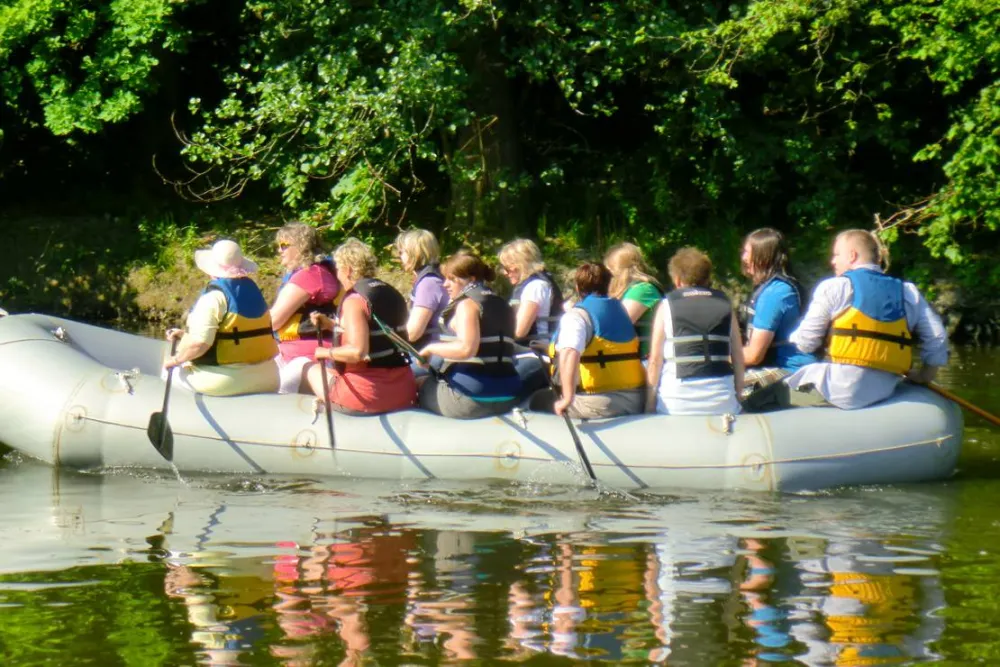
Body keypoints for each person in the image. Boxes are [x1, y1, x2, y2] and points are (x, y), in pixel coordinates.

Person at [745, 229, 948, 411]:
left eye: (836, 255)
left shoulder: (835, 287)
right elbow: (937, 338)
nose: (832, 261)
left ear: (852, 256)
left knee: (758, 398)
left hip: (839, 391)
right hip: (885, 389)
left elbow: (806, 344)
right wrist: (924, 376)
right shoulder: (908, 292)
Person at [304, 238, 417, 415]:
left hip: (367, 396)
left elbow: (358, 352)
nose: (338, 275)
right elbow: (375, 332)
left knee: (308, 368)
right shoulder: (391, 292)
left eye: (338, 269)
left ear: (348, 270)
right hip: (404, 390)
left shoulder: (354, 301)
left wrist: (324, 352)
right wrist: (331, 324)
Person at [163, 239, 280, 396]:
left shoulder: (214, 298)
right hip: (269, 379)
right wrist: (185, 335)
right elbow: (231, 334)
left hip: (228, 382)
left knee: (167, 372)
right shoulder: (254, 293)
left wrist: (176, 360)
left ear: (211, 270)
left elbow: (199, 343)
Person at [529, 263, 645, 418]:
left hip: (600, 403)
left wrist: (567, 398)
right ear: (608, 285)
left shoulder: (577, 316)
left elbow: (570, 352)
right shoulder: (621, 311)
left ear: (577, 287)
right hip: (635, 400)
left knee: (537, 399)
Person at [417, 250, 522, 419]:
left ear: (471, 279)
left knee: (419, 383)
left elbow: (467, 349)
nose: (445, 284)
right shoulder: (503, 304)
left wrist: (430, 349)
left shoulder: (468, 305)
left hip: (472, 398)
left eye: (452, 279)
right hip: (510, 395)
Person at [645, 247, 744, 415]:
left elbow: (655, 360)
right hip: (722, 401)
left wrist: (649, 406)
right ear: (707, 278)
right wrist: (738, 399)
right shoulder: (725, 304)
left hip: (676, 403)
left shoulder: (667, 305)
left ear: (677, 280)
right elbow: (738, 358)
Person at [737, 228, 816, 392]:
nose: (744, 258)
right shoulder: (777, 288)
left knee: (725, 387)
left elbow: (753, 355)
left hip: (791, 370)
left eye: (747, 252)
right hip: (783, 366)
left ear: (763, 257)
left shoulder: (775, 293)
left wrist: (715, 359)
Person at [269, 222, 341, 393]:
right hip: (312, 350)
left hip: (304, 356)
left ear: (301, 246)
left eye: (284, 245)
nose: (280, 250)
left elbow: (273, 321)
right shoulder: (323, 271)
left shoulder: (309, 275)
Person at [604, 242, 664, 357]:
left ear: (617, 270)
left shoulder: (642, 289)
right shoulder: (630, 289)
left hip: (647, 361)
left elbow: (618, 324)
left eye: (608, 271)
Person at [498, 238, 564, 341]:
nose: (504, 273)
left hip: (535, 350)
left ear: (521, 265)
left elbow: (519, 331)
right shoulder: (535, 284)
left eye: (507, 268)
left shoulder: (535, 286)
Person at [394, 229, 449, 348]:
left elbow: (413, 333)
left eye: (401, 252)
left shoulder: (428, 283)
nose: (400, 257)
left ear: (414, 253)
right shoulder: (437, 276)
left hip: (433, 352)